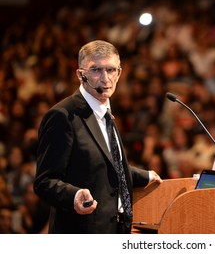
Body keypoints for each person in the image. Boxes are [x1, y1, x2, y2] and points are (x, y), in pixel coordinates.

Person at [33, 40, 162, 234]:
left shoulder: (106, 112)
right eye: (95, 70)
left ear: (119, 73)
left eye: (111, 70)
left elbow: (107, 166)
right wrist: (74, 195)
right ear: (80, 75)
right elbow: (45, 182)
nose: (105, 78)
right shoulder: (62, 116)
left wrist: (146, 175)